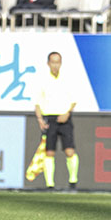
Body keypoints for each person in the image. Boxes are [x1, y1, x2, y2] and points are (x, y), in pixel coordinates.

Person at [35, 51, 80, 190]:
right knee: (49, 152)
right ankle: (50, 184)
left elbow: (74, 100)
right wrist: (40, 119)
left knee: (69, 150)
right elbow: (37, 103)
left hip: (64, 118)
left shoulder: (67, 80)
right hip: (50, 118)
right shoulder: (42, 81)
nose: (55, 65)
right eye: (53, 62)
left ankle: (73, 181)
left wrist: (67, 113)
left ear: (61, 63)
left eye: (58, 62)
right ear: (48, 63)